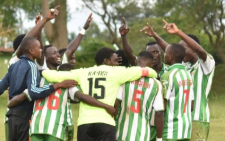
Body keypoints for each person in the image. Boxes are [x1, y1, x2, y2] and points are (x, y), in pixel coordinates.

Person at [42, 47, 158, 141]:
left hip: (84, 123)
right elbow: (147, 71)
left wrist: (42, 71)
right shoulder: (117, 72)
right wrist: (153, 72)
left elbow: (52, 75)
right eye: (115, 61)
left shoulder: (83, 72)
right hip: (105, 122)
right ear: (106, 61)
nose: (117, 64)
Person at [0, 6, 77, 141]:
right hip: (24, 116)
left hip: (11, 116)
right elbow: (34, 91)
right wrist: (57, 85)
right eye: (39, 48)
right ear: (30, 50)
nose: (41, 50)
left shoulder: (13, 66)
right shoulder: (32, 66)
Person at [142, 20, 215, 141]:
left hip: (198, 118)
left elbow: (201, 51)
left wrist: (178, 32)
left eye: (184, 48)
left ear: (193, 48)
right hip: (183, 121)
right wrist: (155, 35)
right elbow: (172, 52)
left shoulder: (206, 64)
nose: (181, 52)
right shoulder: (185, 66)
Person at [8, 63, 115, 141]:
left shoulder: (39, 82)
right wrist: (105, 105)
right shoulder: (68, 85)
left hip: (37, 127)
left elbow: (19, 98)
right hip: (55, 128)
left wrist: (9, 104)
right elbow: (80, 97)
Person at [115, 51, 164, 141]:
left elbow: (116, 104)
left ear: (136, 61)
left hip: (121, 134)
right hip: (143, 135)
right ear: (151, 65)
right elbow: (159, 113)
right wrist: (159, 138)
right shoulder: (157, 84)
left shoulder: (125, 79)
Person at [160, 43, 194, 140]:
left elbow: (162, 106)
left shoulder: (167, 76)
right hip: (186, 129)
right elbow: (191, 106)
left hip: (171, 129)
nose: (164, 55)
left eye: (165, 53)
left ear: (171, 56)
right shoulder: (188, 75)